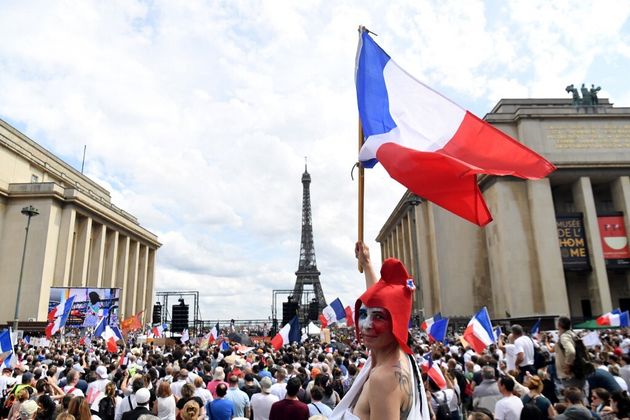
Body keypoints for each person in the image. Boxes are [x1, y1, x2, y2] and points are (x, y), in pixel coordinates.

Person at [330, 241, 429, 420]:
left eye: (379, 317)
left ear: (396, 322)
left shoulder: (383, 378)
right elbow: (379, 302)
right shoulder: (399, 358)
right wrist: (367, 264)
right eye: (363, 314)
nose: (367, 324)